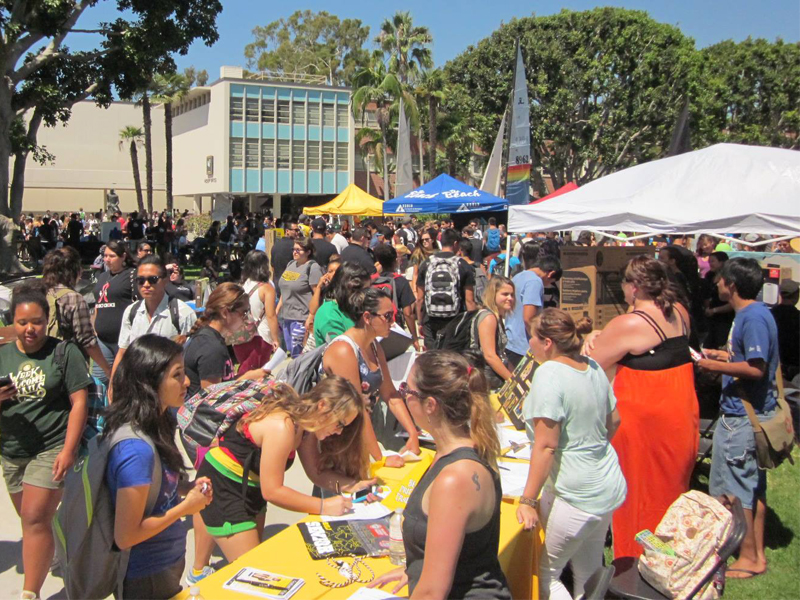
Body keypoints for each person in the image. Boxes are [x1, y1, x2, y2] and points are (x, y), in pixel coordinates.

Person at [369, 351, 510, 599]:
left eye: (407, 391)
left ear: (431, 405)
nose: (403, 397)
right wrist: (414, 571)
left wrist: (424, 578)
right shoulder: (463, 450)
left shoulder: (455, 478)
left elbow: (433, 592)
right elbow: (463, 550)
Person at [586, 255, 698, 559]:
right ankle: (669, 558)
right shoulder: (680, 313)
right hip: (680, 417)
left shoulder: (630, 323)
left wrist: (594, 336)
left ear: (634, 287)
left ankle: (637, 566)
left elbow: (589, 363)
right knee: (669, 496)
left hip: (644, 427)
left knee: (638, 501)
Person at [196, 377, 375, 561]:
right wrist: (324, 506)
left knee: (254, 564)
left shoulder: (305, 428)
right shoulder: (282, 426)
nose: (339, 432)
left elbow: (316, 472)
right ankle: (197, 575)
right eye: (340, 424)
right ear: (322, 405)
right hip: (223, 486)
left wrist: (355, 485)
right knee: (252, 568)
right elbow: (272, 491)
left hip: (249, 487)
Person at [517, 309, 626, 600]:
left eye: (532, 338)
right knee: (588, 572)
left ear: (548, 343)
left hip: (576, 493)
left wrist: (528, 499)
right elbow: (613, 421)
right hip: (604, 484)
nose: (529, 344)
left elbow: (546, 445)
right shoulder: (591, 367)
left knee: (545, 576)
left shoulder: (549, 373)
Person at [0, 282, 91, 600]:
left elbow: (80, 401)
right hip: (12, 451)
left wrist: (68, 450)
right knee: (33, 522)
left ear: (47, 320)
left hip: (50, 447)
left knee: (34, 517)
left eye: (36, 321)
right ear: (12, 320)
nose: (29, 329)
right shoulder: (3, 354)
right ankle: (62, 552)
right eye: (22, 322)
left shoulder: (64, 352)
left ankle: (30, 593)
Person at [104, 334, 212, 599]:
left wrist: (185, 488)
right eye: (176, 375)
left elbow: (154, 491)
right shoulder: (136, 449)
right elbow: (126, 536)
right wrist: (186, 508)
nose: (186, 382)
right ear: (150, 381)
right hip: (146, 575)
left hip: (165, 564)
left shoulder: (158, 425)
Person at [698, 258, 780, 579]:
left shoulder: (753, 317)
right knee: (750, 489)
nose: (716, 283)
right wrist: (724, 356)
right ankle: (755, 555)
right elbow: (748, 358)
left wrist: (716, 367)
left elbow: (756, 368)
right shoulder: (752, 314)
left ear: (731, 285)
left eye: (720, 279)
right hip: (746, 415)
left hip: (742, 417)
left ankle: (747, 557)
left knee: (735, 490)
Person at [322, 288, 421, 458]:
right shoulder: (344, 351)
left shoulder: (374, 346)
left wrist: (413, 433)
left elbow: (390, 394)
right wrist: (380, 459)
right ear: (367, 317)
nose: (393, 322)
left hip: (362, 436)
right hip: (340, 440)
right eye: (388, 316)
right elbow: (357, 407)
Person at [180, 283, 269, 398]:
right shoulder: (211, 348)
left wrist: (248, 376)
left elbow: (221, 385)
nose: (247, 318)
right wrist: (247, 378)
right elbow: (211, 399)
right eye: (244, 312)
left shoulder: (212, 339)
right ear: (225, 313)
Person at [113, 256, 197, 376]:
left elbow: (190, 359)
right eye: (140, 280)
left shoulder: (182, 314)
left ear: (166, 280)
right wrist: (113, 385)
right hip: (137, 386)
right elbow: (122, 352)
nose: (146, 285)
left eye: (152, 279)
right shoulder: (131, 312)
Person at [42, 246, 112, 377]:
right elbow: (87, 340)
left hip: (41, 365)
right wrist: (107, 370)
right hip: (68, 368)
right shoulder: (73, 298)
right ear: (72, 271)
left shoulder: (40, 293)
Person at [416, 228, 477, 350]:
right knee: (452, 361)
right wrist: (472, 325)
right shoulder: (463, 265)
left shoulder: (427, 263)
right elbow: (469, 301)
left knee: (433, 359)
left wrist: (420, 321)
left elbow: (419, 299)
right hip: (455, 321)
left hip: (430, 320)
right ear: (455, 244)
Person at [505, 244, 562, 368]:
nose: (548, 285)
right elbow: (528, 318)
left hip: (511, 340)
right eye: (551, 282)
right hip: (523, 345)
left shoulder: (518, 276)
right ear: (550, 274)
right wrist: (540, 340)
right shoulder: (535, 282)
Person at [93, 241, 138, 386]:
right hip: (102, 339)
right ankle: (101, 409)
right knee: (100, 380)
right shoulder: (102, 276)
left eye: (112, 256)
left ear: (123, 257)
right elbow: (97, 304)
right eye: (105, 256)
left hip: (123, 339)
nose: (107, 259)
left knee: (123, 381)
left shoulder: (132, 275)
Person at [234, 251, 280, 374]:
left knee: (245, 368)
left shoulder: (239, 286)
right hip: (261, 336)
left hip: (239, 336)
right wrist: (276, 339)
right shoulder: (266, 288)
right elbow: (271, 316)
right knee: (257, 374)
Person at [277, 236, 323, 358]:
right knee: (292, 353)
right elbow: (284, 289)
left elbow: (317, 294)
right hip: (286, 317)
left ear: (308, 252)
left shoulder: (312, 267)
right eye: (294, 249)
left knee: (300, 355)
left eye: (299, 249)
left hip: (301, 318)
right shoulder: (291, 264)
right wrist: (277, 310)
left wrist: (311, 317)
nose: (295, 252)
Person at [373, 243, 420, 351]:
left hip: (375, 329)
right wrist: (414, 338)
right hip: (394, 329)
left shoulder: (373, 281)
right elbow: (408, 313)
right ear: (395, 261)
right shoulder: (400, 281)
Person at [313, 261, 371, 347]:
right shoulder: (329, 314)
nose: (366, 295)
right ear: (348, 288)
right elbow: (341, 350)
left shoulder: (355, 308)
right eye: (363, 291)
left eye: (368, 290)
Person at [473, 276, 515, 390]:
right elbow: (490, 356)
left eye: (512, 295)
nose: (510, 298)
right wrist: (512, 381)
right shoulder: (488, 317)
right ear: (493, 294)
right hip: (487, 381)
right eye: (505, 294)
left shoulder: (497, 317)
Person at [702, 251, 734, 350]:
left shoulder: (729, 278)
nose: (710, 264)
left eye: (713, 261)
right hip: (710, 318)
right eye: (709, 262)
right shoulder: (709, 275)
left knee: (720, 346)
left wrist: (714, 310)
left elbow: (731, 304)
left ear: (722, 262)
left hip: (724, 319)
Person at [771, 279, 799, 381]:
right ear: (796, 295)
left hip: (774, 367)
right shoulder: (798, 317)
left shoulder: (770, 315)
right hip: (795, 370)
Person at [270, 220, 299, 295]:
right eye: (295, 230)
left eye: (298, 230)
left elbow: (272, 267)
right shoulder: (295, 246)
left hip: (278, 284)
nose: (297, 232)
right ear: (287, 231)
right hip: (291, 286)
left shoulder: (275, 245)